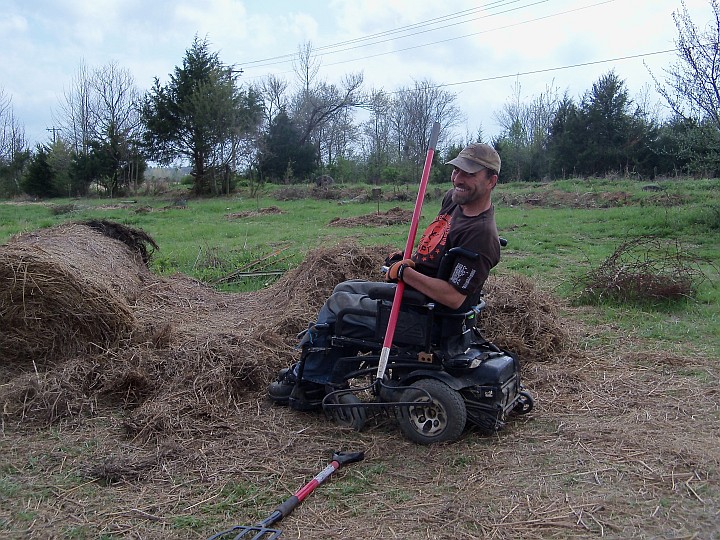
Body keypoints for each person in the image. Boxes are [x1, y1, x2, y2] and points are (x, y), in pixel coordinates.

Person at [268, 143, 502, 405]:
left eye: (469, 174)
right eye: (456, 170)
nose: (458, 179)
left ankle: (311, 381)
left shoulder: (480, 235)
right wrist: (410, 259)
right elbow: (437, 249)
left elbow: (453, 297)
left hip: (429, 316)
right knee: (345, 288)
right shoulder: (454, 201)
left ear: (491, 181)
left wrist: (406, 273)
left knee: (340, 305)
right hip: (418, 297)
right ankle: (324, 373)